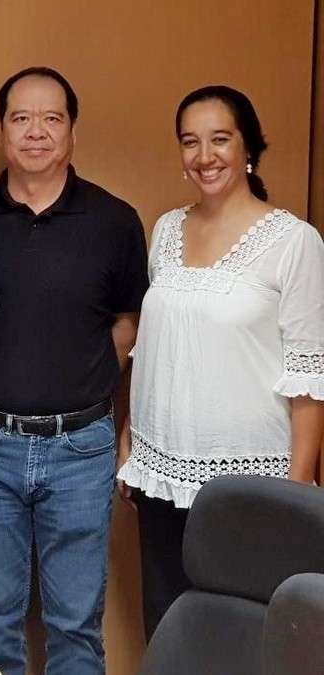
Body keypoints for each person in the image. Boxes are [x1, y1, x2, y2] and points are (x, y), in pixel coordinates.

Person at [0, 67, 149, 675]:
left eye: (51, 118)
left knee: (76, 625)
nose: (35, 131)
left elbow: (128, 320)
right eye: (21, 118)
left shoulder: (114, 220)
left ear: (71, 130)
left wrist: (80, 379)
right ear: (1, 131)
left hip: (82, 448)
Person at [117, 85, 324, 638]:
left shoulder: (295, 243)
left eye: (220, 139)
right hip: (161, 471)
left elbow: (310, 376)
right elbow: (156, 345)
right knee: (168, 629)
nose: (204, 156)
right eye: (191, 142)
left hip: (250, 482)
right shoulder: (166, 229)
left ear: (248, 147)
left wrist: (295, 494)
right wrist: (132, 433)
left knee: (242, 637)